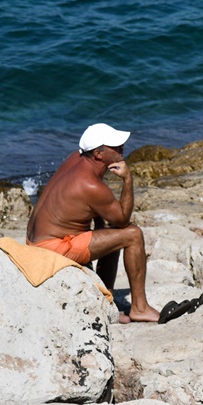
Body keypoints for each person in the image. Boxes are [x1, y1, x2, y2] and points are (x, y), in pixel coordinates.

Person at [26, 123, 160, 323]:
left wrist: (101, 226)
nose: (122, 146)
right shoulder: (89, 184)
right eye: (115, 146)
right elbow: (123, 220)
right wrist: (127, 179)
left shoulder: (76, 158)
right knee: (132, 234)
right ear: (98, 154)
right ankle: (140, 308)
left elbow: (89, 204)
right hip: (52, 248)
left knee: (111, 234)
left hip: (35, 239)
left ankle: (106, 303)